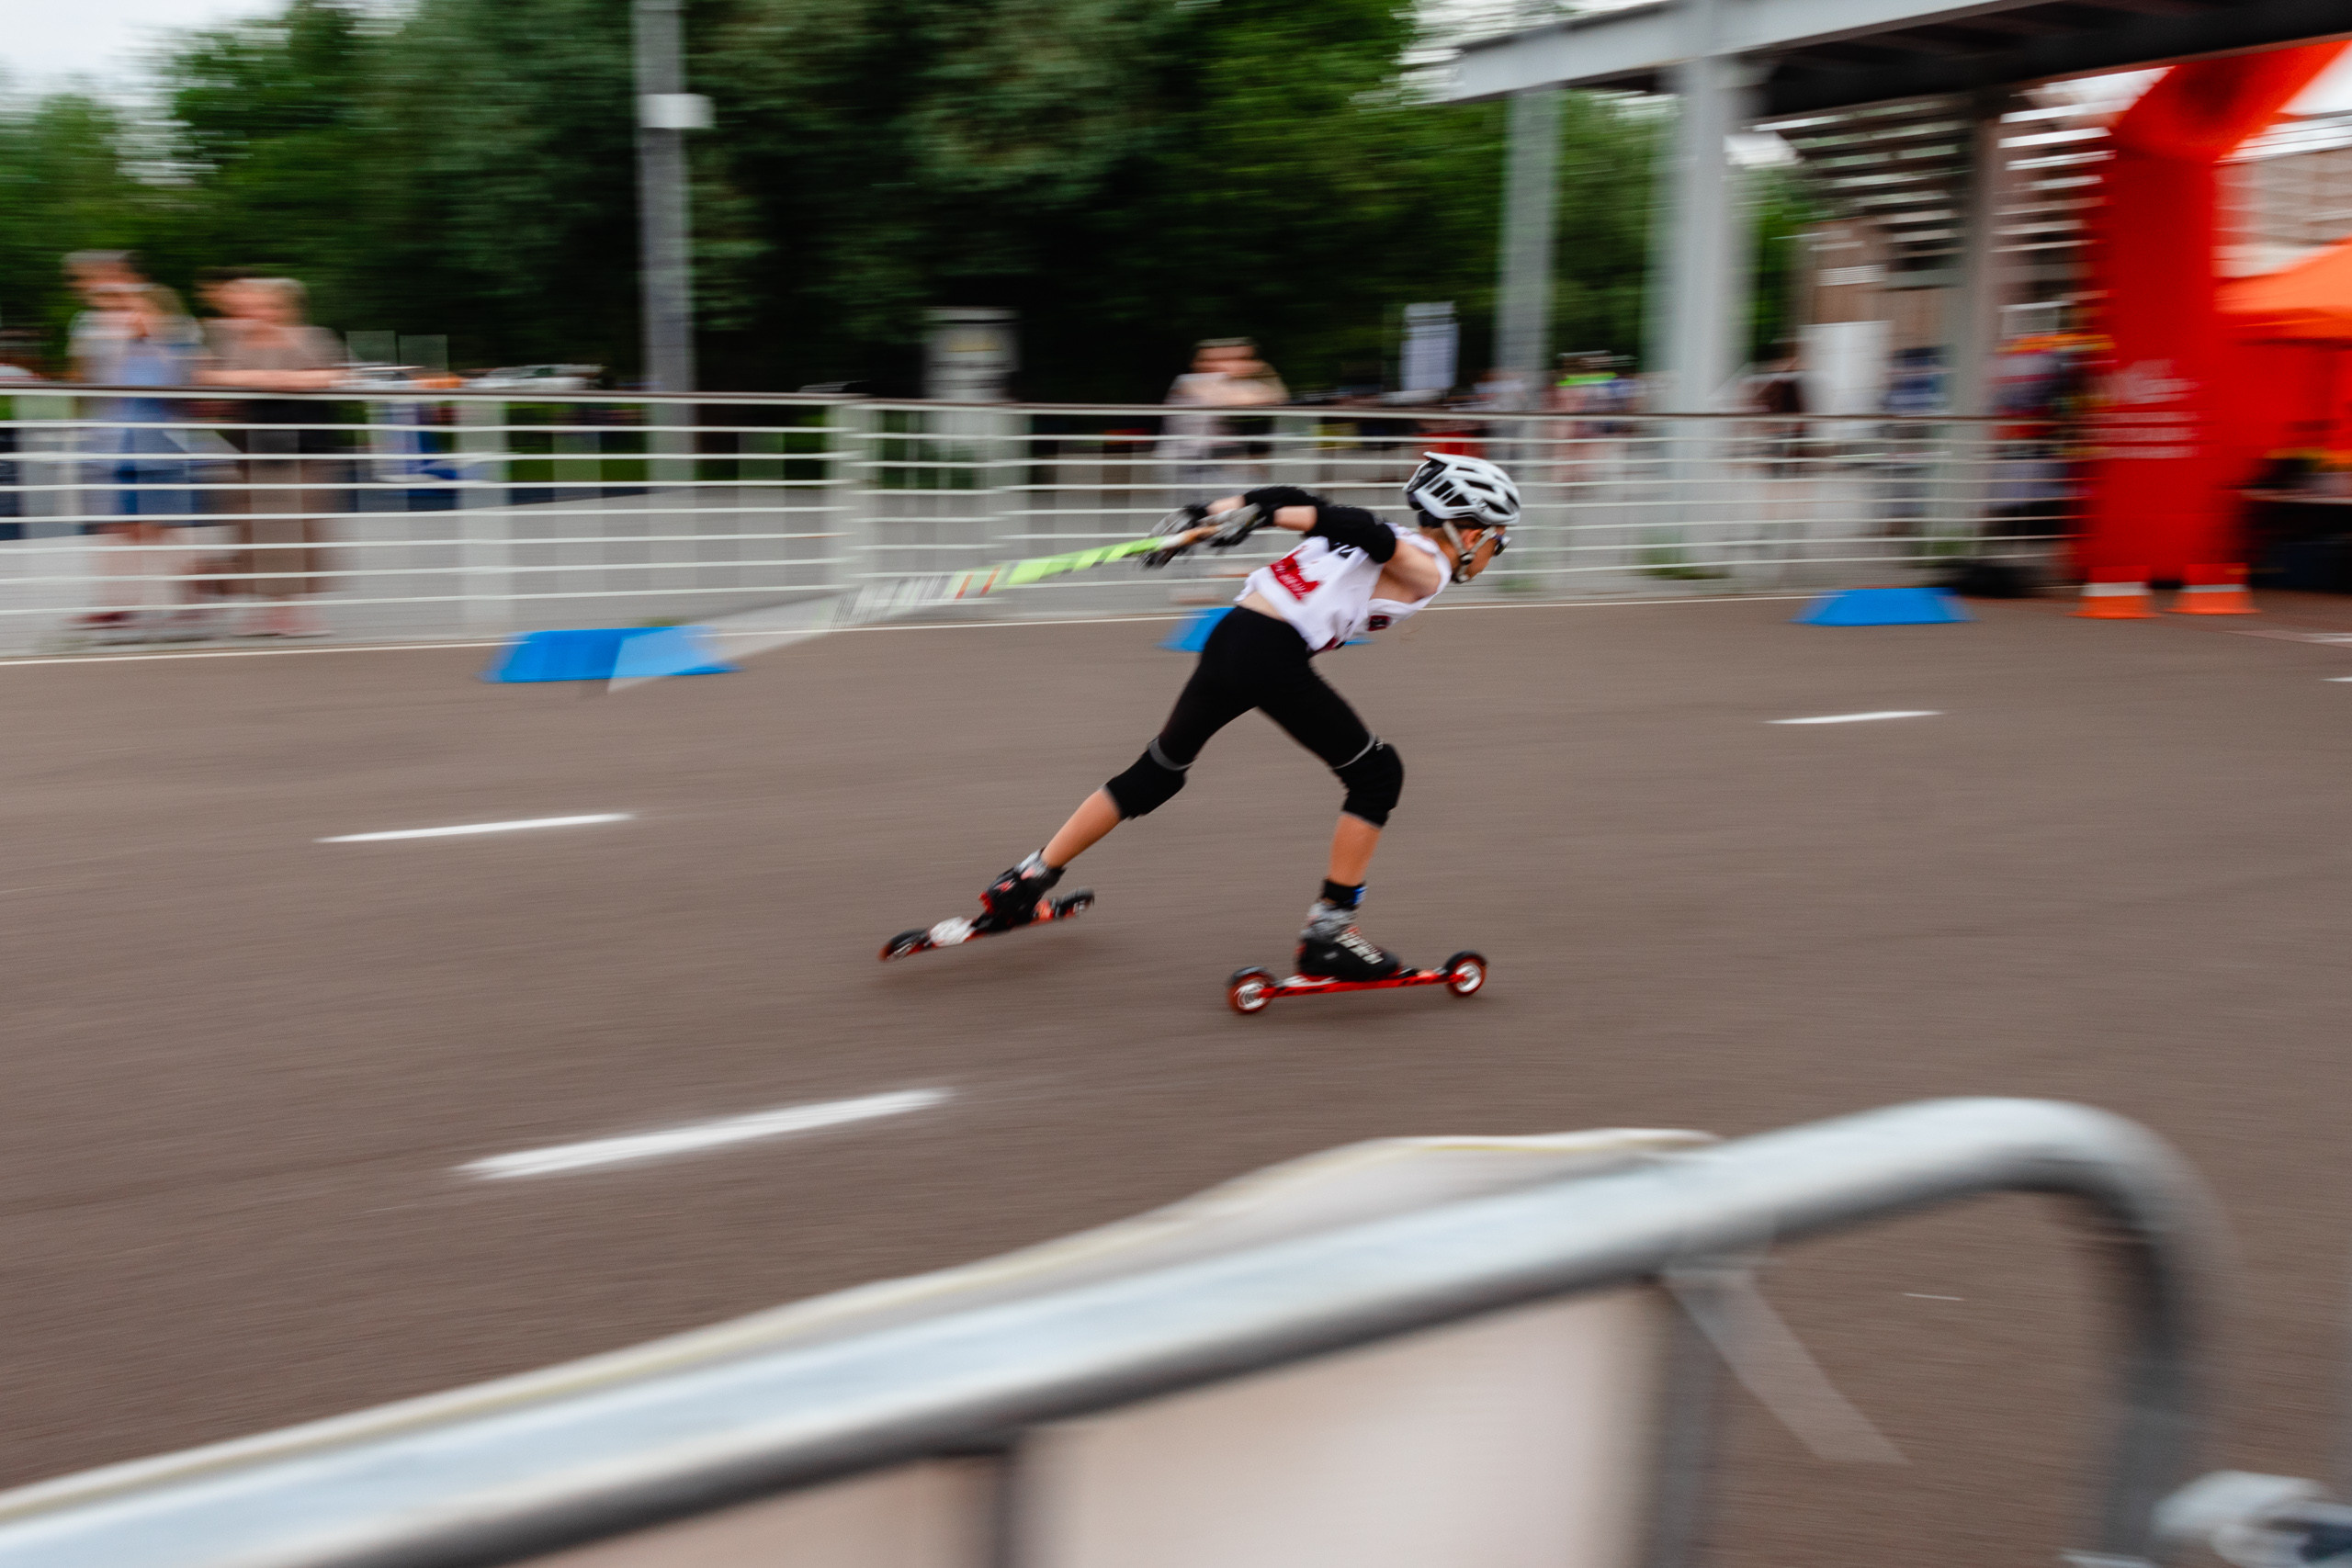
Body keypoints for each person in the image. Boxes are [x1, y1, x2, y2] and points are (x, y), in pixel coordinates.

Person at [960, 452, 1519, 980]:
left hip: (1234, 636)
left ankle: (1026, 881)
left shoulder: (1397, 541)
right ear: (1471, 533)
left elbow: (1302, 500)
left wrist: (1209, 515)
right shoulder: (1425, 565)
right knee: (1378, 775)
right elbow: (1354, 523)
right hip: (1270, 651)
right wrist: (1259, 514)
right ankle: (1330, 931)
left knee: (1158, 773)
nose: (1498, 549)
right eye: (1499, 538)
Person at [198, 276, 345, 636]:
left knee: (300, 524)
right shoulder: (231, 341)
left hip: (305, 446)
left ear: (282, 308)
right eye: (249, 306)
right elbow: (206, 376)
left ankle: (297, 609)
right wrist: (269, 376)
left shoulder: (313, 337)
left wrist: (276, 379)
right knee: (253, 526)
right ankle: (264, 609)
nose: (254, 313)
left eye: (263, 305)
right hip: (252, 445)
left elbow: (335, 375)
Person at [77, 283, 207, 631]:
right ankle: (117, 603)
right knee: (119, 529)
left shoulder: (175, 349)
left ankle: (194, 594)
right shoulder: (118, 348)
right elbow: (96, 387)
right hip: (118, 449)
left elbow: (178, 388)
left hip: (157, 449)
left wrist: (159, 343)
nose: (132, 316)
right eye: (129, 309)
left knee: (161, 529)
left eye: (141, 309)